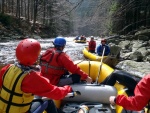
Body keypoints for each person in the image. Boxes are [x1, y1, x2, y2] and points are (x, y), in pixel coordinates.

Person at [0, 38, 72, 113]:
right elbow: (55, 93)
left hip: (2, 110)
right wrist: (68, 89)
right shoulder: (31, 77)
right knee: (48, 101)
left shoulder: (7, 68)